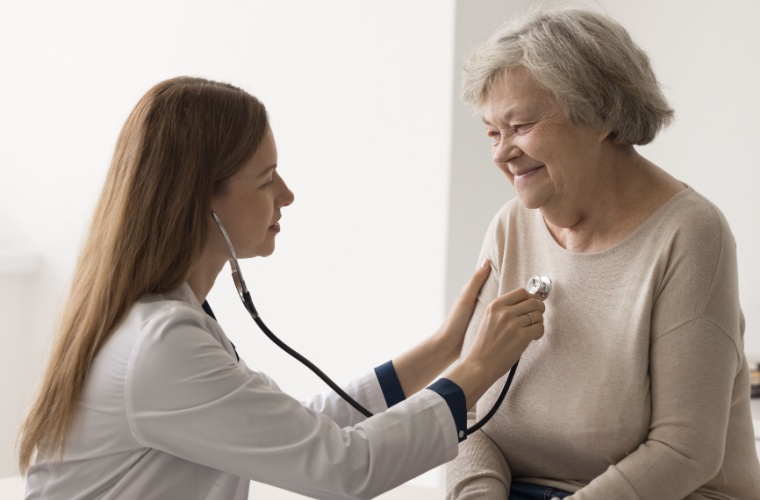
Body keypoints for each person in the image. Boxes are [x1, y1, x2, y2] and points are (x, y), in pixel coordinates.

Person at [17, 76, 547, 500]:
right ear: (202, 199)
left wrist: (444, 348)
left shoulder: (163, 321)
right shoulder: (161, 345)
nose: (287, 196)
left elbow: (304, 428)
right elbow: (346, 468)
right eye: (267, 178)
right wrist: (477, 368)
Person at [445, 7, 760, 500]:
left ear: (601, 114)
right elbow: (467, 413)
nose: (501, 152)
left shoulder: (690, 233)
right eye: (492, 131)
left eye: (521, 125)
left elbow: (685, 451)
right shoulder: (510, 228)